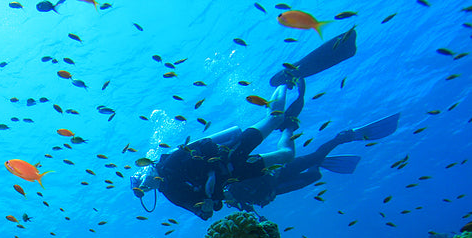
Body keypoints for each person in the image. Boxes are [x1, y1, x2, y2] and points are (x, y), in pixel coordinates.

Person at [131, 28, 358, 220]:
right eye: (144, 189)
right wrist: (206, 208)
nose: (147, 185)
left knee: (274, 118)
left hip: (230, 152)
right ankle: (290, 126)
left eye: (143, 181)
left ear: (146, 171)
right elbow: (202, 211)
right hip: (237, 173)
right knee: (287, 156)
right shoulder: (171, 194)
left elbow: (203, 145)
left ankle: (285, 80)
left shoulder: (170, 162)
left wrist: (213, 169)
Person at [223, 112, 401, 211]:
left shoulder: (233, 183)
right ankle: (319, 162)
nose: (227, 202)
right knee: (315, 176)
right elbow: (250, 208)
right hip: (278, 188)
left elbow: (255, 171)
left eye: (226, 199)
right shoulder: (238, 200)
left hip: (281, 172)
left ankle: (343, 137)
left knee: (315, 155)